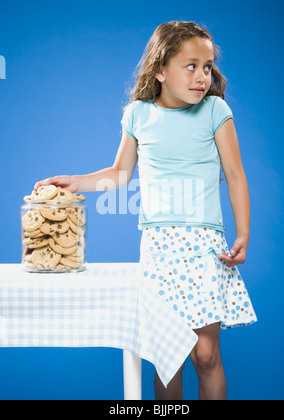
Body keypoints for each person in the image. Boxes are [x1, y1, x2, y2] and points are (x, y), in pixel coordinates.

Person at [35, 21, 257, 400]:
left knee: (205, 355)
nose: (202, 76)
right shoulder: (137, 114)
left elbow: (235, 175)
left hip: (204, 243)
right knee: (167, 357)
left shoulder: (216, 110)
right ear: (160, 70)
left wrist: (242, 234)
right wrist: (75, 181)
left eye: (207, 66)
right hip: (158, 246)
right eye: (191, 66)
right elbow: (119, 174)